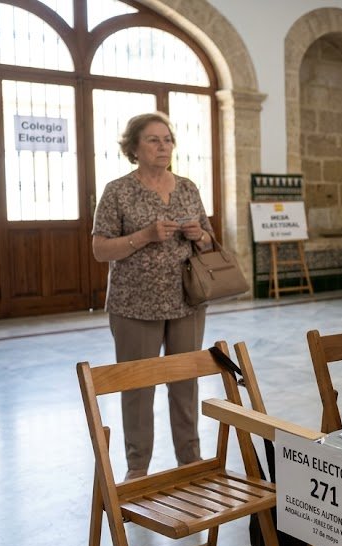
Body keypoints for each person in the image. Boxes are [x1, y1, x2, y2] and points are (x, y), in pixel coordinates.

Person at [91, 112, 214, 481]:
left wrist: (198, 235)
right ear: (133, 148)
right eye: (153, 140)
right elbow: (99, 249)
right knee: (137, 388)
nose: (164, 147)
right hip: (134, 306)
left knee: (185, 384)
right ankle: (138, 469)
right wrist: (144, 235)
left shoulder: (189, 187)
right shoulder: (118, 191)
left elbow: (210, 240)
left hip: (187, 303)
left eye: (168, 139)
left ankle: (190, 463)